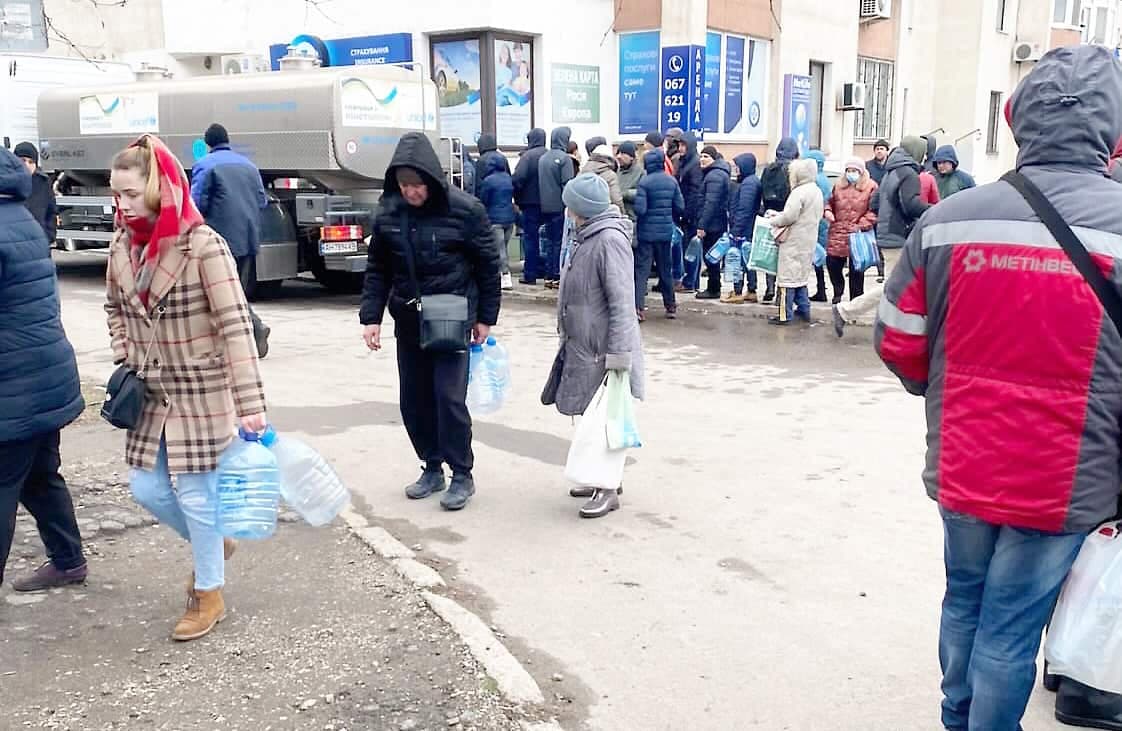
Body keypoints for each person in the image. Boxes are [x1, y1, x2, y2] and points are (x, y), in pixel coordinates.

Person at [875, 45, 1122, 731]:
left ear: (1017, 120)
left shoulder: (950, 219)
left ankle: (958, 718)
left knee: (964, 601)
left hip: (966, 460)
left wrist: (943, 389)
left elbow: (897, 335)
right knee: (1011, 624)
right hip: (1068, 479)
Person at [106, 134, 267, 641]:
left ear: (157, 188)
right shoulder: (120, 244)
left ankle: (208, 593)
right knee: (146, 488)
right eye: (117, 195)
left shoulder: (203, 245)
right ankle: (214, 544)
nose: (122, 205)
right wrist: (123, 353)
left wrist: (250, 405)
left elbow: (236, 324)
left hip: (200, 389)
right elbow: (113, 307)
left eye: (131, 194)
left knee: (197, 496)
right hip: (150, 391)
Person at [360, 132, 500, 513]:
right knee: (414, 400)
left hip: (449, 312)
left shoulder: (465, 210)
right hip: (406, 315)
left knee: (448, 397)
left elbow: (489, 266)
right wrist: (370, 317)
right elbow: (378, 269)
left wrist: (486, 317)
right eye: (404, 185)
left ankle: (462, 474)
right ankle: (431, 465)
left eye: (417, 185)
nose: (411, 193)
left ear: (431, 180)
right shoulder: (388, 212)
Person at [0, 146, 87, 594]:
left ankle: (69, 561)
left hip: (13, 385)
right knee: (39, 476)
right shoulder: (21, 217)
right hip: (45, 377)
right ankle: (69, 562)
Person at [542, 174, 644, 519]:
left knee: (605, 421)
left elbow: (621, 302)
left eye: (570, 204)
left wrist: (618, 355)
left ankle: (608, 489)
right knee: (590, 417)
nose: (567, 211)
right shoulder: (587, 236)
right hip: (586, 344)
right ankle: (599, 478)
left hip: (604, 348)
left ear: (580, 208)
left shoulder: (608, 241)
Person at [832, 136, 931, 337]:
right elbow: (911, 205)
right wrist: (935, 210)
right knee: (894, 284)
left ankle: (902, 325)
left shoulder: (890, 173)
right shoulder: (908, 174)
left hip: (886, 234)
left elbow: (875, 203)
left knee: (906, 282)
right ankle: (845, 311)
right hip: (899, 235)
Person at [190, 124, 271, 359]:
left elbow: (197, 205)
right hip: (248, 236)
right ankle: (250, 331)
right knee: (236, 289)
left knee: (219, 291)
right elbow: (261, 201)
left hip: (219, 240)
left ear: (207, 144)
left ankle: (253, 329)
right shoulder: (249, 165)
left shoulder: (205, 165)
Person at [766, 159, 823, 326]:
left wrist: (774, 220)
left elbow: (789, 216)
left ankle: (785, 314)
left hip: (793, 239)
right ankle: (804, 310)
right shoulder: (816, 191)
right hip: (809, 239)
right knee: (801, 277)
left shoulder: (799, 192)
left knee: (787, 277)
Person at [633, 149, 684, 320]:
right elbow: (680, 206)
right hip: (664, 233)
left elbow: (640, 209)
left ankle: (638, 308)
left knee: (642, 271)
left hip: (646, 234)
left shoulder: (644, 182)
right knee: (665, 270)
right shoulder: (672, 181)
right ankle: (670, 306)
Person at [823, 158, 878, 304]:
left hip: (857, 234)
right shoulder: (838, 186)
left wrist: (861, 225)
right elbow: (829, 202)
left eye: (854, 171)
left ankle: (856, 300)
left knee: (857, 270)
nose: (851, 173)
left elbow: (874, 211)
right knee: (833, 263)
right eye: (848, 170)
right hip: (838, 231)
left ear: (861, 172)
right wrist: (827, 211)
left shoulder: (871, 187)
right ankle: (838, 291)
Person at [758, 137, 800, 303]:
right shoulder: (793, 169)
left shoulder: (769, 169)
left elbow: (762, 189)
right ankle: (781, 294)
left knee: (771, 252)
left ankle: (769, 287)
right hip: (787, 215)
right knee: (785, 256)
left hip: (770, 214)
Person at [538, 127, 575, 289]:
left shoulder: (543, 158)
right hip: (560, 206)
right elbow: (567, 183)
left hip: (545, 206)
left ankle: (548, 275)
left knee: (550, 241)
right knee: (560, 242)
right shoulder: (564, 159)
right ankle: (557, 274)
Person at [724, 152, 762, 304]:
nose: (736, 170)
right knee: (748, 260)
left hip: (743, 229)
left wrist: (735, 230)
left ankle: (738, 291)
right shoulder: (751, 181)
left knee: (738, 260)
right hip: (748, 228)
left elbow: (744, 209)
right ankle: (751, 290)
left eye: (738, 167)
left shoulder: (749, 184)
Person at [695, 145, 731, 300]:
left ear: (714, 159)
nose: (702, 159)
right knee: (713, 256)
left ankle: (713, 288)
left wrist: (702, 225)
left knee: (711, 257)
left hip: (713, 224)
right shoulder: (716, 173)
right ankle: (714, 286)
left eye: (706, 157)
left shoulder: (714, 176)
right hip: (717, 222)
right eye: (701, 156)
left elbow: (710, 203)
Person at [513, 127, 548, 285]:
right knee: (550, 239)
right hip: (550, 204)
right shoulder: (549, 154)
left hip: (530, 204)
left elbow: (518, 178)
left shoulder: (527, 157)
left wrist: (518, 197)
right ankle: (548, 271)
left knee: (530, 239)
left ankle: (530, 274)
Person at [477, 152, 516, 291]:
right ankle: (502, 274)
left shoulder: (488, 181)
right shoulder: (508, 179)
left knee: (500, 250)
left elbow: (483, 199)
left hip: (495, 219)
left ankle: (505, 277)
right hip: (509, 219)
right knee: (504, 247)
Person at [675, 132, 704, 293]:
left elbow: (694, 192)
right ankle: (691, 281)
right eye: (679, 145)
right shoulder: (684, 162)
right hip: (687, 212)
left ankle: (690, 282)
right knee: (689, 248)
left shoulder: (694, 165)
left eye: (683, 145)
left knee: (691, 249)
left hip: (691, 214)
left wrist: (686, 213)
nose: (680, 148)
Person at [13, 142, 57, 244]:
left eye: (31, 162)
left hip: (38, 244)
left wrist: (48, 236)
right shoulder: (6, 184)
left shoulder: (43, 183)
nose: (26, 165)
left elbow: (51, 211)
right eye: (22, 160)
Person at [805, 149, 833, 302]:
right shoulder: (824, 178)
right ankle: (821, 289)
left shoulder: (815, 180)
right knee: (819, 258)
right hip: (822, 222)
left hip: (816, 223)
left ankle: (821, 290)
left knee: (816, 256)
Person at [581, 143, 624, 211]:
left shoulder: (583, 172)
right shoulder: (611, 175)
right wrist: (622, 215)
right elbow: (616, 199)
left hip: (583, 214)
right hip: (603, 215)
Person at [615, 141, 645, 223]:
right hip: (618, 218)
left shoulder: (641, 172)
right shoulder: (616, 172)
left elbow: (643, 192)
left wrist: (625, 193)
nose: (618, 157)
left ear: (632, 157)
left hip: (633, 219)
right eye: (618, 153)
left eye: (622, 154)